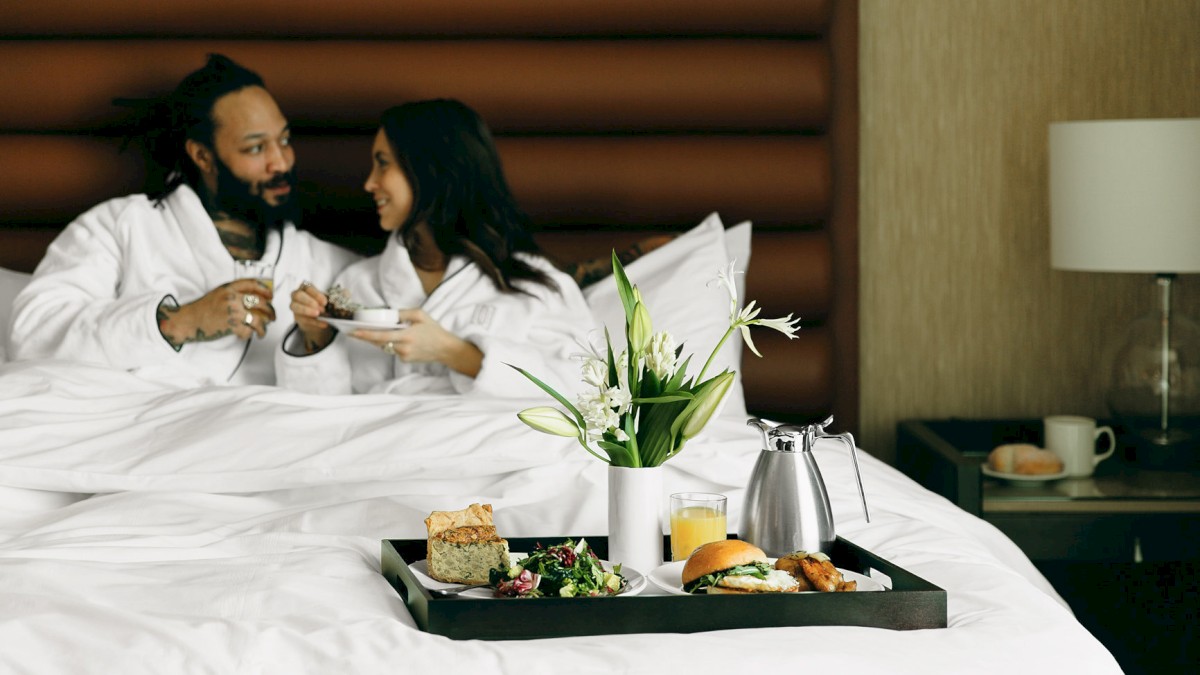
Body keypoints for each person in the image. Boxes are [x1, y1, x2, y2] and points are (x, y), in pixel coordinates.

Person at [7, 54, 359, 385]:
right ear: (203, 156)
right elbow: (32, 335)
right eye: (256, 148)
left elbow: (375, 377)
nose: (280, 162)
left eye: (284, 141)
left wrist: (315, 343)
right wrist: (179, 322)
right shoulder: (121, 227)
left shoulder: (326, 266)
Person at [277, 99, 593, 397]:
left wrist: (454, 353)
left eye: (383, 164)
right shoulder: (356, 284)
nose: (369, 183)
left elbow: (588, 389)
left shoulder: (534, 288)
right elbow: (318, 415)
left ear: (430, 171)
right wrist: (315, 338)